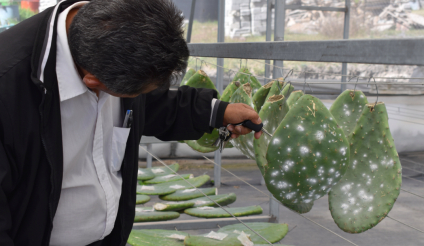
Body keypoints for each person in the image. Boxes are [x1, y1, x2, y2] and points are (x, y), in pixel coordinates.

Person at [0, 0, 262, 245]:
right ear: (93, 82)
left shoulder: (116, 39)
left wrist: (216, 112)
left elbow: (152, 102)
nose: (141, 98)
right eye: (135, 94)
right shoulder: (9, 87)